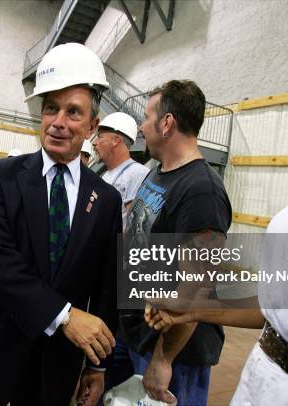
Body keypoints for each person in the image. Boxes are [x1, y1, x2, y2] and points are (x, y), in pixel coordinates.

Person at [147, 22, 288, 406]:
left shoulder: (200, 188)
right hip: (268, 383)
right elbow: (282, 305)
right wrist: (189, 309)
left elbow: (200, 271)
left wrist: (167, 350)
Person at [0, 42, 122, 406]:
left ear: (93, 126)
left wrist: (97, 366)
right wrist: (65, 316)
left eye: (73, 112)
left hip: (54, 363)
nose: (58, 122)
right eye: (51, 108)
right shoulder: (1, 176)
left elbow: (105, 288)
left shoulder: (106, 199)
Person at [110, 80, 232, 405]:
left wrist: (163, 359)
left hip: (175, 351)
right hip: (138, 334)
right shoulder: (157, 171)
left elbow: (197, 286)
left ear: (167, 123)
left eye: (147, 116)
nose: (140, 124)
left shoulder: (202, 190)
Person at [92, 112, 149, 229]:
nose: (94, 143)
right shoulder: (105, 175)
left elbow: (133, 229)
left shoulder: (136, 173)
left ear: (116, 140)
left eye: (100, 137)